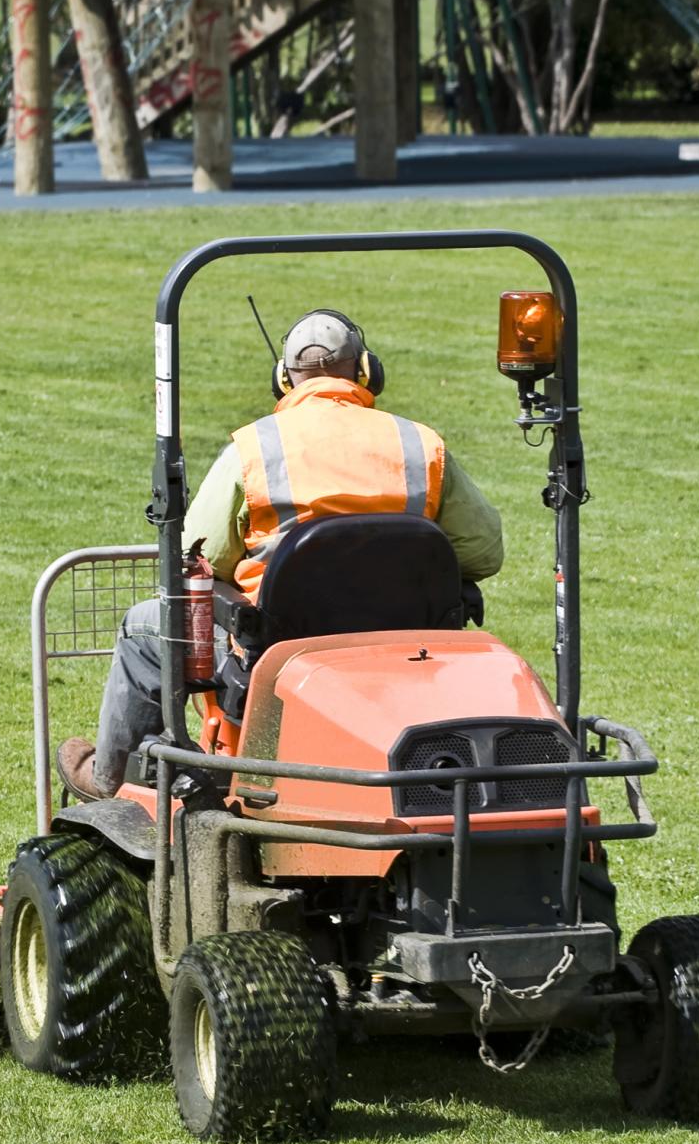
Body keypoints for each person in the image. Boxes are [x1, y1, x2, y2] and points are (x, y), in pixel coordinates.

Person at [57, 308, 505, 801]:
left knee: (143, 628)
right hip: (405, 653)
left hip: (279, 654)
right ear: (366, 371)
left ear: (284, 379)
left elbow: (192, 556)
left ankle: (112, 781)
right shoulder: (420, 445)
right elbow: (483, 552)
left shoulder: (254, 449)